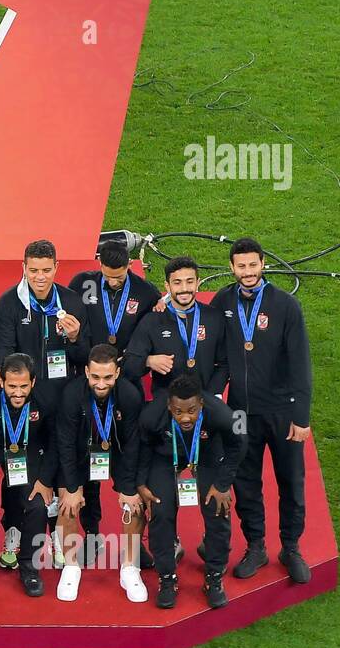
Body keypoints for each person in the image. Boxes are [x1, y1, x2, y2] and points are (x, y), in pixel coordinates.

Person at [210, 237, 314, 583]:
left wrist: (302, 417)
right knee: (246, 482)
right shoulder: (223, 300)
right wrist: (165, 303)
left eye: (253, 265)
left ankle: (291, 546)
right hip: (241, 412)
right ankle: (256, 545)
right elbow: (202, 331)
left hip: (283, 412)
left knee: (291, 482)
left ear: (263, 264)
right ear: (231, 267)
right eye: (241, 266)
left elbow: (301, 364)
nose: (247, 272)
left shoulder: (286, 306)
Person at [135, 374, 245, 609]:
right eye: (178, 412)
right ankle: (167, 579)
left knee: (218, 506)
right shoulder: (151, 415)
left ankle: (214, 577)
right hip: (165, 458)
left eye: (192, 411)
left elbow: (239, 444)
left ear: (201, 404)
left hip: (206, 455)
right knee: (160, 509)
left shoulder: (222, 414)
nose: (185, 417)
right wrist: (141, 483)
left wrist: (223, 484)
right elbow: (143, 446)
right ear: (168, 405)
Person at [55, 345, 144, 602]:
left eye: (107, 377)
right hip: (82, 453)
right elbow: (66, 444)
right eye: (95, 377)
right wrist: (72, 488)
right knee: (67, 502)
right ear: (86, 371)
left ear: (117, 373)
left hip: (115, 453)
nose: (101, 383)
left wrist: (127, 488)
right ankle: (71, 566)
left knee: (135, 502)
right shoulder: (71, 395)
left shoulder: (130, 395)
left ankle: (130, 567)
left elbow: (131, 444)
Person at [0, 354, 56, 597]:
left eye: (23, 386)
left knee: (38, 504)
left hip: (27, 448)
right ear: (1, 381)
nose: (17, 392)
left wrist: (45, 480)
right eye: (12, 386)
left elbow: (56, 443)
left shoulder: (47, 398)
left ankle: (29, 566)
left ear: (33, 382)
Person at [0, 239, 88, 411]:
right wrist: (0, 369)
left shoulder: (72, 301)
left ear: (56, 267)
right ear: (23, 267)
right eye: (33, 270)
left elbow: (84, 357)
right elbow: (3, 346)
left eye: (46, 270)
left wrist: (75, 338)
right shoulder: (9, 302)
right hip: (25, 388)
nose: (40, 277)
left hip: (62, 387)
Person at [123, 256, 228, 397]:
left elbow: (224, 363)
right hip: (166, 401)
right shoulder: (153, 320)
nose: (184, 289)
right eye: (177, 283)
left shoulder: (214, 317)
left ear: (197, 283)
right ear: (167, 286)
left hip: (205, 398)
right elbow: (129, 364)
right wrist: (148, 361)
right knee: (147, 419)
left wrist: (214, 394)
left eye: (189, 282)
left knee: (228, 419)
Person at [68, 239, 160, 355]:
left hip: (126, 363)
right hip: (88, 361)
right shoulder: (82, 282)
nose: (113, 283)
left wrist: (161, 303)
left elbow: (158, 321)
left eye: (119, 277)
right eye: (107, 276)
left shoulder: (146, 291)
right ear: (100, 262)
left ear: (129, 264)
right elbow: (65, 305)